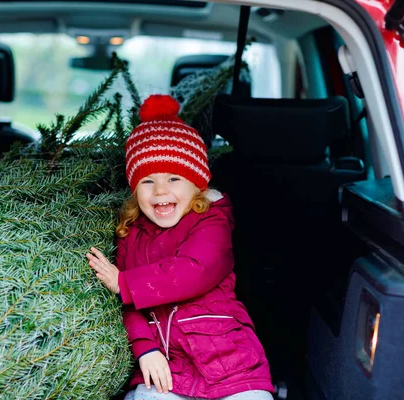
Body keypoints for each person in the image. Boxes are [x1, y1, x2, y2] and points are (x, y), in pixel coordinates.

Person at [86, 94, 273, 400]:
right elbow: (129, 307)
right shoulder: (131, 234)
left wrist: (123, 282)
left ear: (197, 183)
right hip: (167, 363)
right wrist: (144, 349)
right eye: (147, 181)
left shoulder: (211, 220)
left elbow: (194, 270)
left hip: (228, 359)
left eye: (174, 178)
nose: (160, 191)